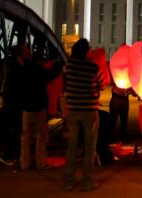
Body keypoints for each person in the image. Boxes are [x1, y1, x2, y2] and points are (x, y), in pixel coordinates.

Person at [63, 38, 106, 192]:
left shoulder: (68, 65)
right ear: (87, 51)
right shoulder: (93, 67)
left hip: (73, 110)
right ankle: (87, 182)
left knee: (72, 146)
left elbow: (66, 82)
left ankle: (68, 181)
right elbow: (102, 84)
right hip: (89, 111)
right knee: (90, 148)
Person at [19, 47, 59, 170]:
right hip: (40, 108)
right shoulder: (41, 72)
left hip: (26, 108)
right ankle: (40, 162)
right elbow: (54, 73)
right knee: (41, 136)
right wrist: (58, 62)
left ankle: (24, 163)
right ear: (41, 61)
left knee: (25, 136)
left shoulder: (24, 70)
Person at [0, 45, 25, 166]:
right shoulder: (18, 69)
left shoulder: (10, 66)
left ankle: (12, 155)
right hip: (15, 104)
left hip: (11, 103)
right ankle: (9, 155)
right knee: (16, 130)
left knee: (15, 130)